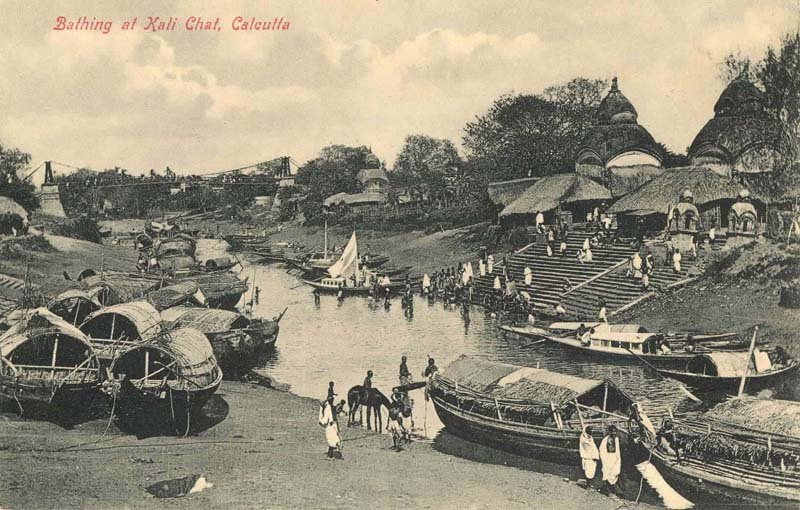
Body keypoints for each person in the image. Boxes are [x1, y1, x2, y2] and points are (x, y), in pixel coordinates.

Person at [599, 425, 621, 494]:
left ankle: (611, 488)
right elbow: (601, 450)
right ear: (610, 432)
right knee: (607, 472)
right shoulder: (605, 440)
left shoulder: (616, 439)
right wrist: (604, 459)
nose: (614, 433)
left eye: (615, 432)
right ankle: (608, 489)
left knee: (615, 472)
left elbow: (617, 450)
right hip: (608, 458)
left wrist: (618, 458)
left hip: (615, 457)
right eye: (613, 432)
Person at [319, 396, 342, 460]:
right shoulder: (327, 408)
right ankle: (330, 456)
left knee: (334, 440)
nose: (332, 401)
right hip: (330, 425)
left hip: (333, 424)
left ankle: (329, 456)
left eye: (332, 399)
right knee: (332, 440)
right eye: (331, 400)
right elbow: (326, 417)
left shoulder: (332, 407)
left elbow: (335, 414)